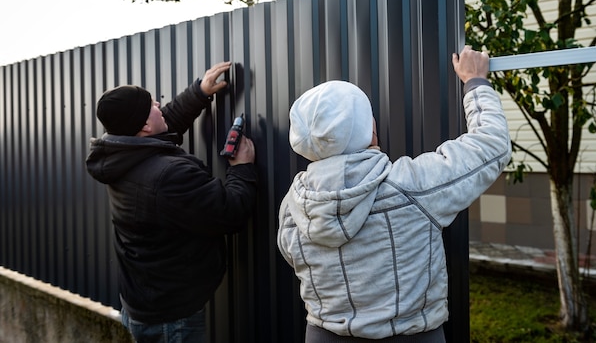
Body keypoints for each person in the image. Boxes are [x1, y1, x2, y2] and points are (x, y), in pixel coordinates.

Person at [277, 46, 511, 342]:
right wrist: (475, 82)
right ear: (369, 129)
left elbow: (293, 257)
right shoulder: (411, 186)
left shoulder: (294, 204)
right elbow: (492, 146)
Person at [86, 61, 257, 343]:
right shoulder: (166, 177)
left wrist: (198, 93)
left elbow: (161, 126)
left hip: (143, 302)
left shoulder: (121, 154)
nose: (158, 105)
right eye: (152, 104)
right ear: (142, 125)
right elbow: (230, 212)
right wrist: (242, 168)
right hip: (170, 320)